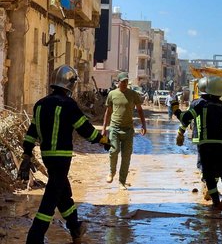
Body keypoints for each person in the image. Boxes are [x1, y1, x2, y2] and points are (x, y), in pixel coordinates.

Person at [19, 65, 112, 244]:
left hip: (47, 156)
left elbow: (31, 132)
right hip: (62, 157)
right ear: (70, 84)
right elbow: (85, 129)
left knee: (63, 192)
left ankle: (74, 226)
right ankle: (35, 236)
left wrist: (26, 154)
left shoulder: (39, 104)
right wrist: (102, 140)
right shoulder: (68, 105)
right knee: (52, 196)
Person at [172, 77, 222, 210]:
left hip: (205, 144)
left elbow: (185, 118)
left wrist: (176, 110)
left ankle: (216, 203)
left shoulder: (200, 104)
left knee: (208, 174)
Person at [101, 72, 147, 190]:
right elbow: (108, 112)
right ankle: (111, 172)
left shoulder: (133, 94)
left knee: (126, 156)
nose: (125, 83)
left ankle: (122, 182)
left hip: (128, 130)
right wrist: (104, 128)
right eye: (123, 81)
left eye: (126, 81)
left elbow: (140, 110)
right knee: (113, 151)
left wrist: (143, 125)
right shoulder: (112, 94)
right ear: (118, 82)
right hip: (114, 128)